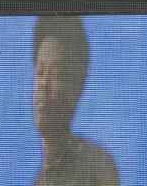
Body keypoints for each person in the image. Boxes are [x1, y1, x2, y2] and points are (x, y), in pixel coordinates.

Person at [32, 16, 120, 185]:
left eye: (56, 75)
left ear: (76, 88)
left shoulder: (96, 165)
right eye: (40, 72)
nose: (43, 85)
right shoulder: (41, 180)